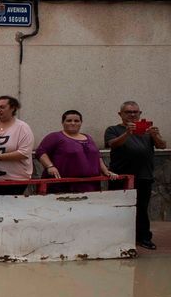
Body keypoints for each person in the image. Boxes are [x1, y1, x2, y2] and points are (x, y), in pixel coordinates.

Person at [105, 101, 166, 250]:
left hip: (144, 176)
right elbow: (112, 144)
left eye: (135, 112)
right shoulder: (113, 129)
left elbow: (162, 145)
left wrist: (156, 135)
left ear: (140, 113)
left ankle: (144, 238)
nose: (132, 115)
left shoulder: (147, 130)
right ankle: (117, 238)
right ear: (120, 114)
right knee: (119, 208)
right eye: (128, 112)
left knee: (142, 209)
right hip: (121, 177)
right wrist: (127, 133)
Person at [36, 110, 117, 193]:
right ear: (62, 122)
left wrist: (106, 171)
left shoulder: (88, 137)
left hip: (90, 186)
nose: (73, 123)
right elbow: (41, 152)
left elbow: (97, 157)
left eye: (76, 121)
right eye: (69, 120)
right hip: (62, 186)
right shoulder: (55, 136)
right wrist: (50, 166)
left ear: (81, 123)